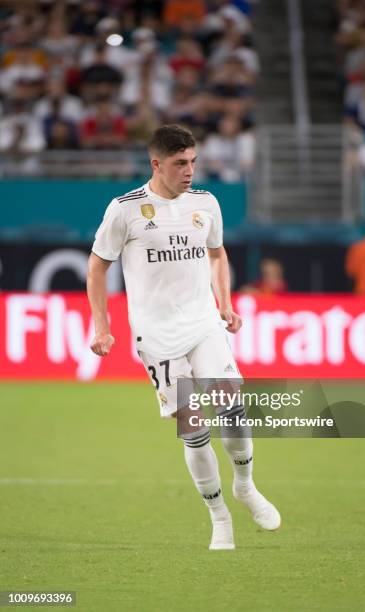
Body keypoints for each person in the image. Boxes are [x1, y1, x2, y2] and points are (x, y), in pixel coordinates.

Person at [87, 124, 280, 550]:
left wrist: (225, 303)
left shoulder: (206, 203)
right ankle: (219, 517)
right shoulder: (125, 209)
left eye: (193, 162)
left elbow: (217, 254)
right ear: (157, 164)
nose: (189, 171)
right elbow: (98, 266)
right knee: (193, 429)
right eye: (180, 164)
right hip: (157, 337)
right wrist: (102, 325)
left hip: (203, 323)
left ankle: (245, 486)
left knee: (232, 406)